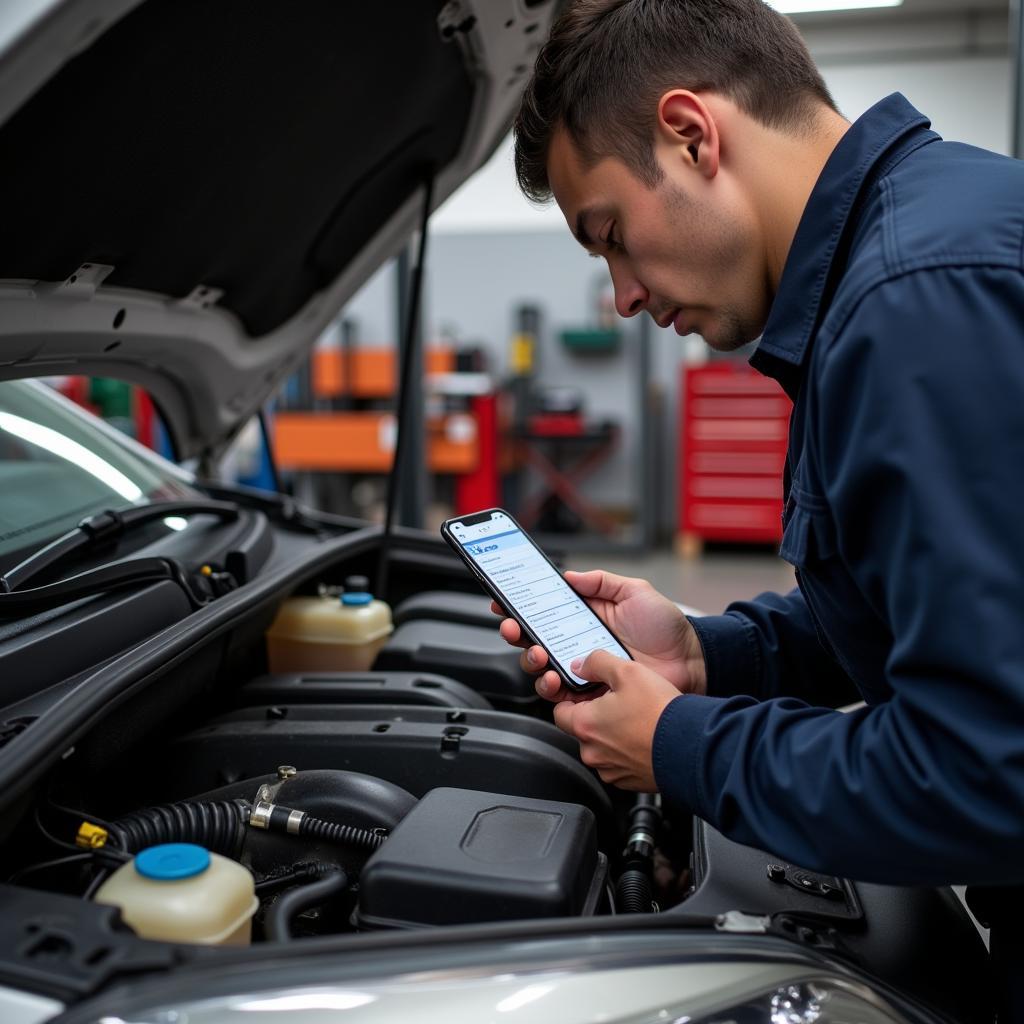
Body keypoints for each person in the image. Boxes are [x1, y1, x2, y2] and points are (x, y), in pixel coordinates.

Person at [495, 0, 1024, 1011]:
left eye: (609, 234)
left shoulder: (915, 303)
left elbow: (985, 769)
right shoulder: (923, 239)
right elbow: (939, 609)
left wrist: (680, 744)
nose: (622, 297)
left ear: (690, 134)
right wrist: (706, 654)